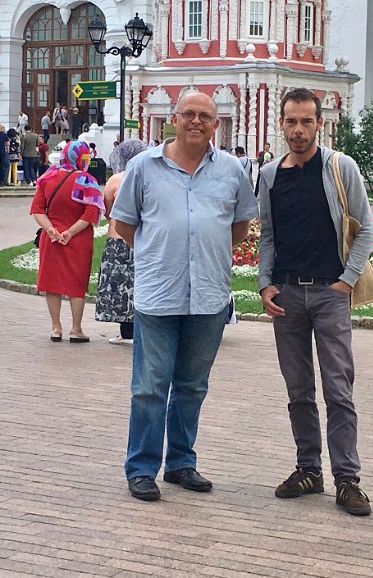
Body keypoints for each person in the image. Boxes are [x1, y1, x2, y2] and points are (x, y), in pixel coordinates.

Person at [110, 91, 257, 502]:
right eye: (188, 114)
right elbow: (124, 224)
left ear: (217, 124)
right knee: (149, 387)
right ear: (173, 119)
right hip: (158, 294)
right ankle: (141, 468)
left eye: (205, 116)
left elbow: (240, 226)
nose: (196, 121)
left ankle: (180, 463)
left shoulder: (231, 170)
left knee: (192, 386)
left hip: (208, 295)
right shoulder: (143, 167)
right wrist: (160, 251)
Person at [257, 87, 373, 517]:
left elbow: (366, 229)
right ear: (282, 123)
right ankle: (309, 469)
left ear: (319, 124)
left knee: (338, 388)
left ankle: (348, 479)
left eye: (307, 121)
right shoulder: (270, 175)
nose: (299, 130)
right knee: (298, 390)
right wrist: (264, 283)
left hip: (329, 293)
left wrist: (345, 282)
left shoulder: (340, 167)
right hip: (286, 295)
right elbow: (268, 235)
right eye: (292, 121)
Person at [30, 141, 104, 343]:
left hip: (51, 238)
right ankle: (76, 328)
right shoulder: (86, 181)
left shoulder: (47, 178)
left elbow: (37, 209)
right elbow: (90, 214)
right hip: (77, 239)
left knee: (51, 283)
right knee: (76, 283)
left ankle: (55, 327)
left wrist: (51, 229)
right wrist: (69, 233)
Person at [95, 139, 148, 345]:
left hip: (117, 238)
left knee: (118, 285)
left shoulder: (115, 180)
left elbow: (108, 210)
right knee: (137, 284)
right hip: (141, 238)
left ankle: (126, 331)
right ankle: (139, 329)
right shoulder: (148, 176)